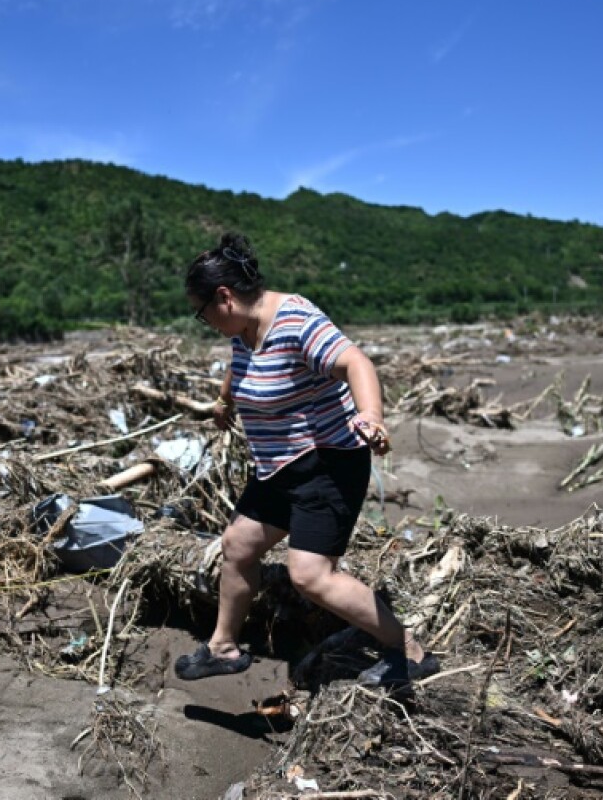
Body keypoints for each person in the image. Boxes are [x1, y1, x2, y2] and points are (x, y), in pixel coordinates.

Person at [174, 232, 439, 695]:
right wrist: (223, 402)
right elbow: (240, 365)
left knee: (310, 574)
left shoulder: (296, 320)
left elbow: (356, 362)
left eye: (203, 313)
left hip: (326, 465)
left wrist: (371, 416)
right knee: (238, 546)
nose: (206, 322)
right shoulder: (244, 329)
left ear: (225, 297)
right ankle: (223, 648)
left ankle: (410, 652)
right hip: (278, 467)